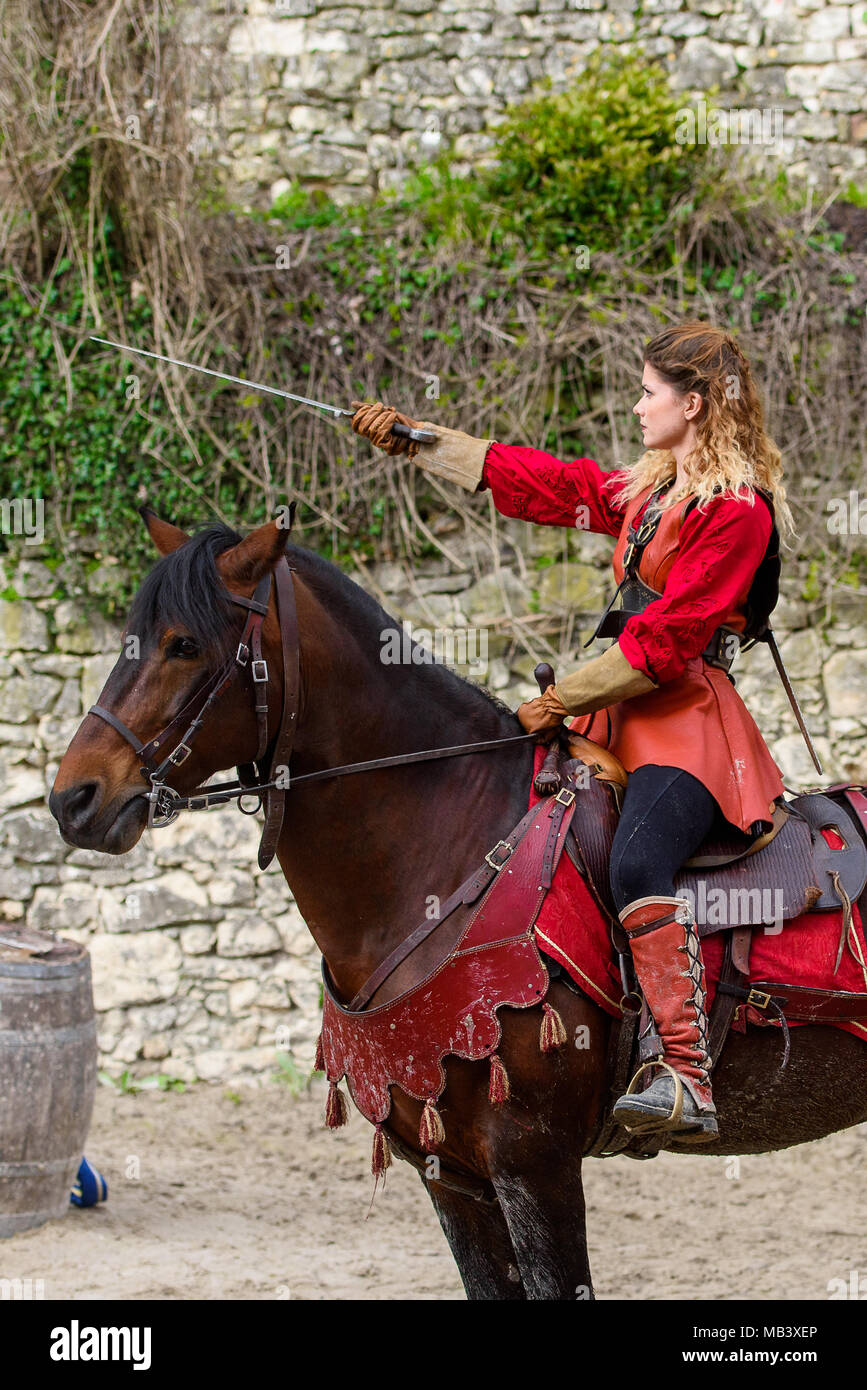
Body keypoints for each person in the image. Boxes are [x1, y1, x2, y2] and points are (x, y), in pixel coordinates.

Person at [350, 322, 794, 1142]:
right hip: (609, 715)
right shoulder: (649, 492)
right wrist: (418, 443)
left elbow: (666, 641)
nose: (634, 407)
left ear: (692, 405)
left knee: (637, 859)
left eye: (648, 393)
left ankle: (684, 1074)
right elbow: (554, 484)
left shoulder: (738, 514)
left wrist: (556, 705)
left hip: (685, 726)